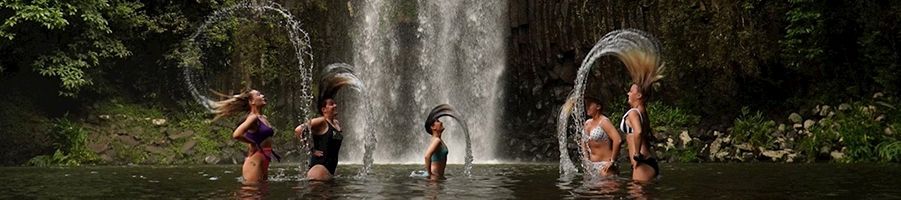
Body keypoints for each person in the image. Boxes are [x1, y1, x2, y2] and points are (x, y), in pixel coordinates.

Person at [212, 89, 280, 184]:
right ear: (251, 102)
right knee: (252, 193)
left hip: (264, 159)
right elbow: (236, 134)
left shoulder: (263, 118)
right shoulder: (253, 118)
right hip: (254, 162)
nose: (263, 96)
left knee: (262, 192)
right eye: (259, 95)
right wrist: (252, 142)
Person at [295, 97, 343, 181]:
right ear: (324, 109)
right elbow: (298, 130)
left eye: (335, 103)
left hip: (330, 168)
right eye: (331, 104)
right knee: (319, 193)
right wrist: (311, 149)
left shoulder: (336, 123)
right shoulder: (321, 121)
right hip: (319, 167)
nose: (335, 105)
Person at [621, 84, 659, 182]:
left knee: (637, 194)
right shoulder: (642, 111)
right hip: (645, 160)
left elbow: (638, 132)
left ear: (639, 96)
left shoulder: (633, 113)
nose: (628, 93)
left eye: (631, 91)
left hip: (641, 161)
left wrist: (637, 154)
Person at [581, 96, 622, 177]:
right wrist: (586, 160)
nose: (587, 107)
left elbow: (618, 140)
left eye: (589, 104)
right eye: (586, 105)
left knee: (606, 189)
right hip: (591, 166)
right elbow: (583, 143)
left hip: (605, 166)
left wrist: (612, 161)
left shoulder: (604, 122)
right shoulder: (587, 123)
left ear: (598, 107)